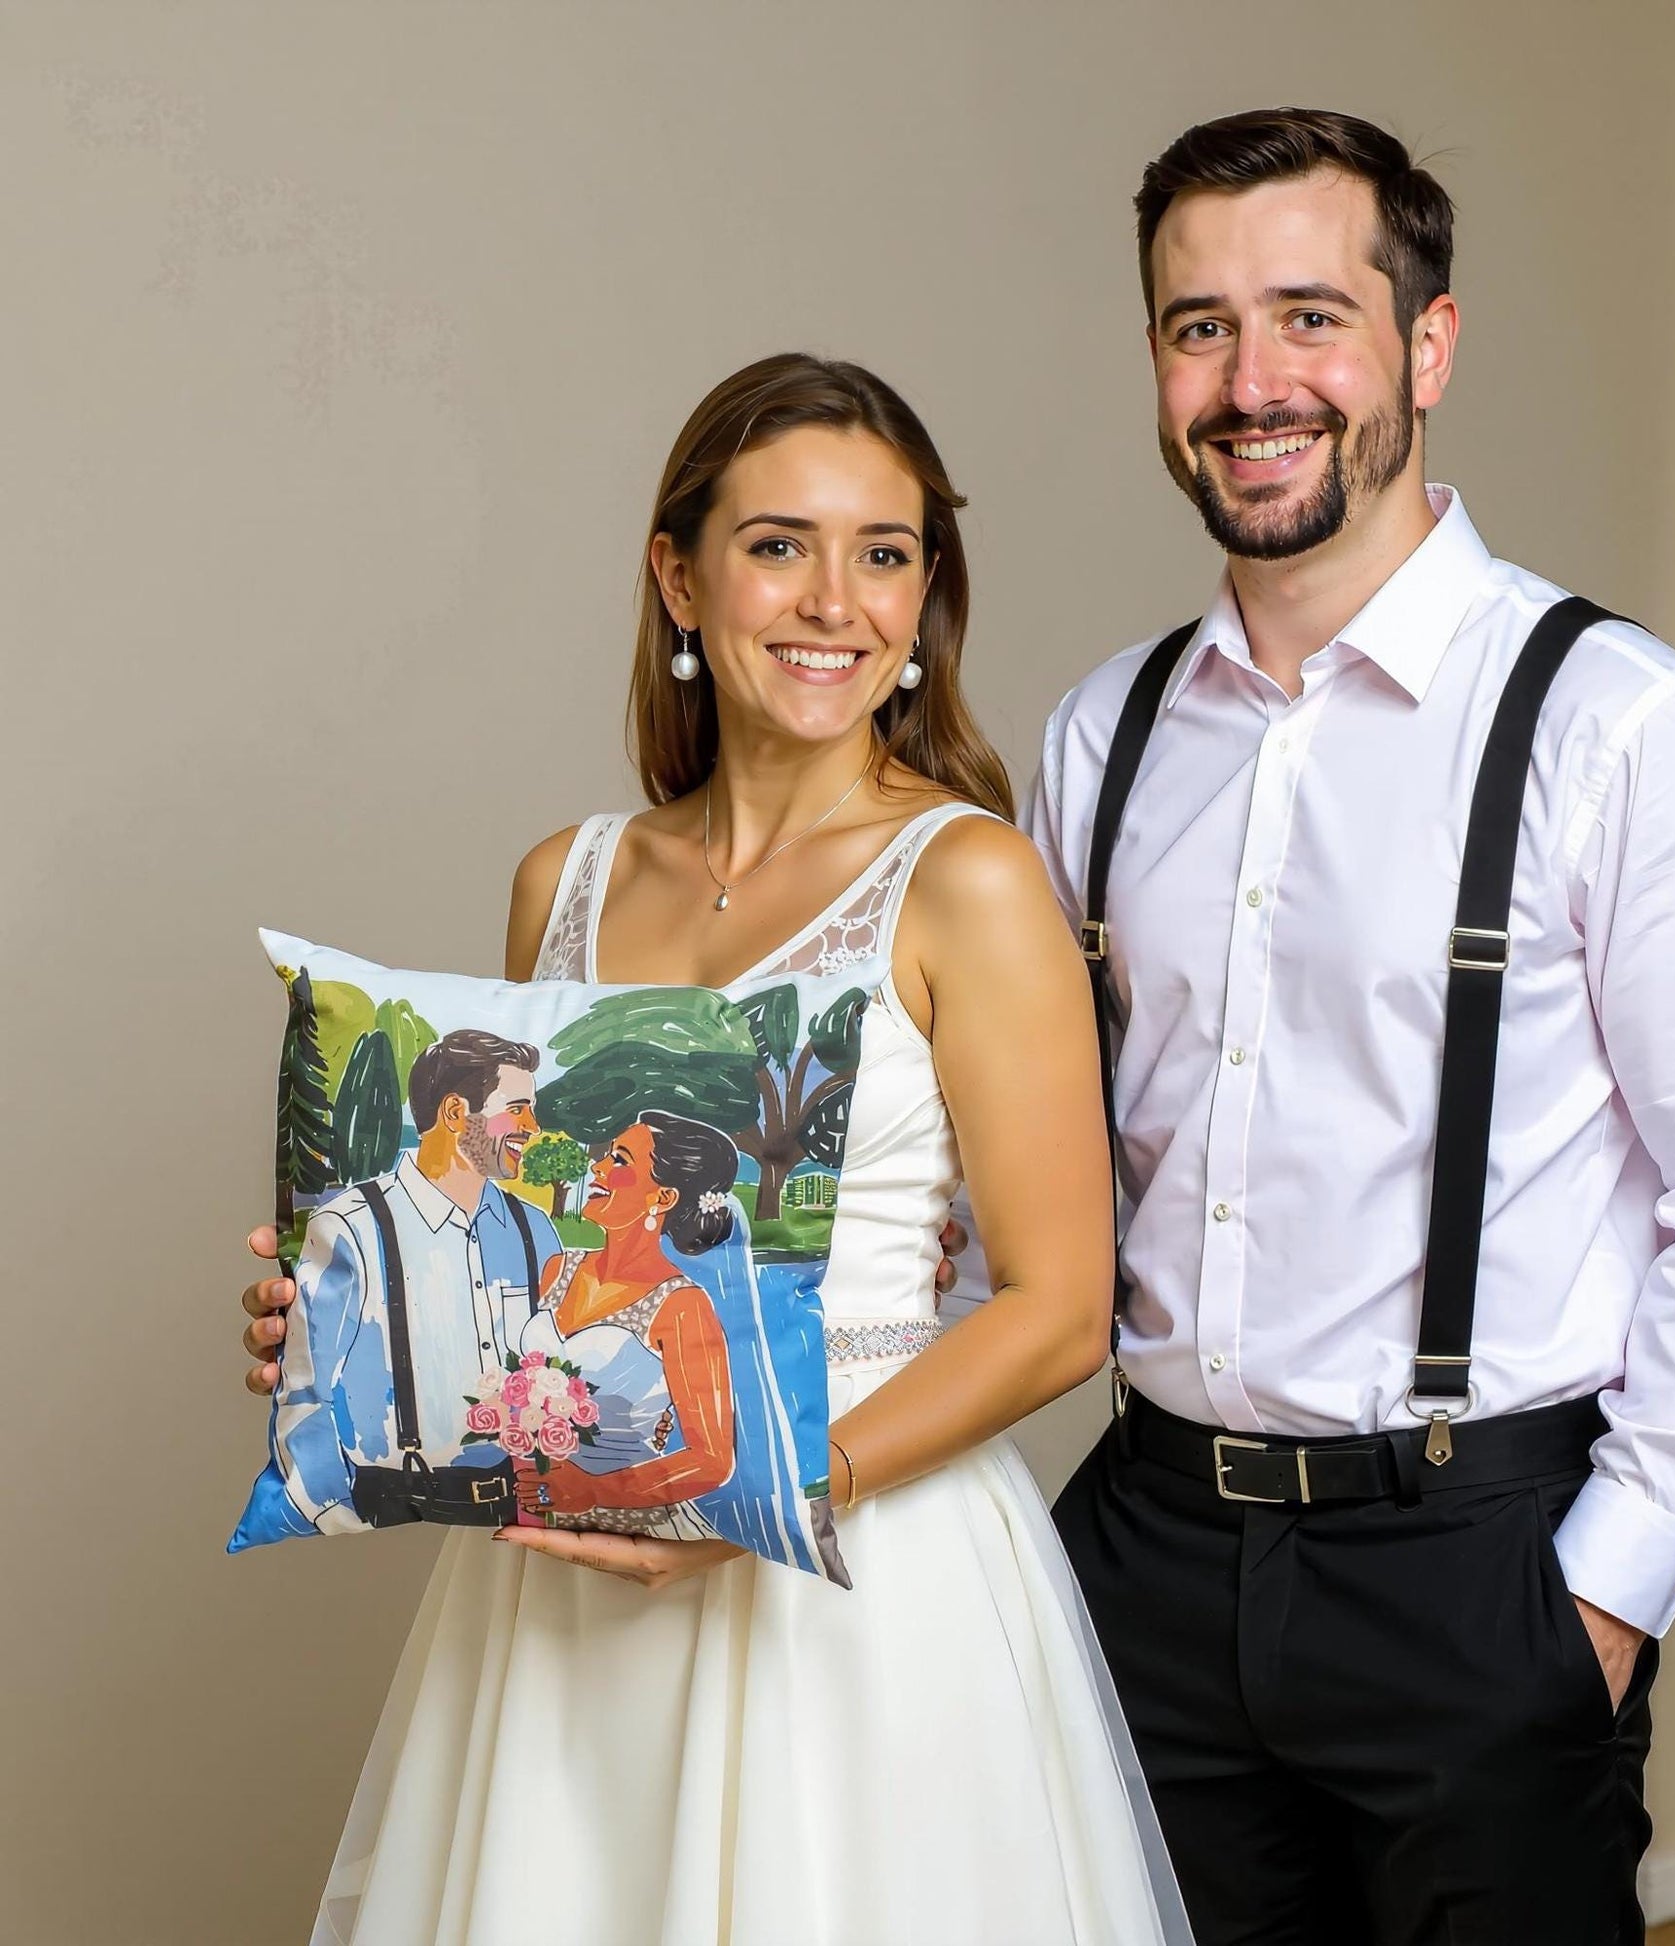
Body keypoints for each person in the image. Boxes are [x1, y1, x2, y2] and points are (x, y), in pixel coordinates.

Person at [1011, 108, 1675, 1945]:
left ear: (1428, 345)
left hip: (1476, 1571)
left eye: (1310, 315)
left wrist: (1599, 1599)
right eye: (1201, 327)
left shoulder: (1627, 729)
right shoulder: (1099, 738)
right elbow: (1008, 1171)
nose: (1253, 383)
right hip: (1147, 1556)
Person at [238, 352, 1194, 1946]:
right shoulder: (563, 880)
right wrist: (353, 1311)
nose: (833, 601)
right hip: (561, 1590)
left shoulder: (968, 880)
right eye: (776, 545)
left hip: (859, 1569)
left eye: (883, 553)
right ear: (679, 578)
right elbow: (539, 1253)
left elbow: (1058, 1308)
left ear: (924, 597)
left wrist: (759, 1496)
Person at [256, 1029, 559, 1539]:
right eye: (518, 1109)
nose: (533, 1126)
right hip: (394, 1495)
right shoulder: (351, 1227)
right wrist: (327, 1509)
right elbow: (307, 1391)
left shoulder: (535, 1230)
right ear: (455, 1112)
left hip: (532, 1508)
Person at [513, 1112, 740, 1541]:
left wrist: (593, 1490)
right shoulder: (558, 1270)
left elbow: (712, 1459)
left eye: (619, 1160)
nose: (597, 1167)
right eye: (606, 1155)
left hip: (636, 1524)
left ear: (664, 1197)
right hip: (532, 1508)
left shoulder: (682, 1306)